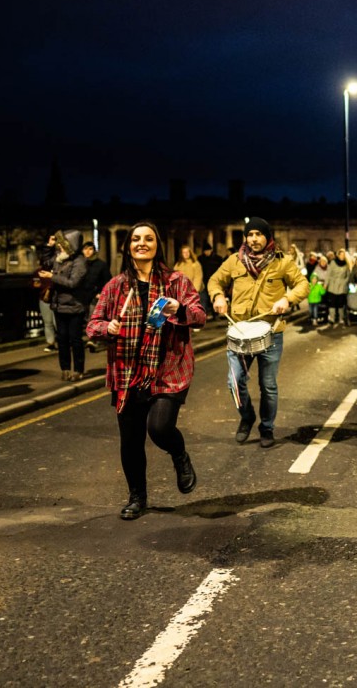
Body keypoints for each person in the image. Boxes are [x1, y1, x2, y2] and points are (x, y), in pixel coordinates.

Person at [86, 222, 206, 520]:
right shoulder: (116, 286)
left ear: (157, 245)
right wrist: (107, 328)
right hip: (127, 373)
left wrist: (178, 309)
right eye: (136, 239)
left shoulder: (176, 282)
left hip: (169, 368)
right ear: (128, 246)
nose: (142, 243)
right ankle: (137, 497)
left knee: (160, 428)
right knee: (131, 440)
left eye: (149, 238)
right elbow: (92, 325)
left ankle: (179, 454)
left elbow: (200, 316)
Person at [207, 217, 309, 448]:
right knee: (234, 383)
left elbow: (303, 284)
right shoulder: (234, 261)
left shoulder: (283, 262)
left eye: (258, 234)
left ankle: (267, 427)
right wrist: (218, 296)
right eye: (250, 234)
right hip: (240, 331)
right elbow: (215, 281)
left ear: (267, 237)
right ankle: (247, 417)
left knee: (268, 385)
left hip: (271, 333)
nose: (254, 239)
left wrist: (287, 298)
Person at [38, 229, 89, 381]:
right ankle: (65, 369)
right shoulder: (60, 258)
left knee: (75, 339)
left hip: (74, 306)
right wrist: (49, 246)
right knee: (62, 339)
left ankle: (78, 370)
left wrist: (52, 277)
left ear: (70, 245)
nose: (59, 247)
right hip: (59, 305)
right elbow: (45, 262)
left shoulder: (80, 261)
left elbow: (72, 283)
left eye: (62, 244)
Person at [80, 241, 112, 353]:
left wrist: (101, 293)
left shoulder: (101, 265)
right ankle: (94, 338)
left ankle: (92, 340)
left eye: (90, 249)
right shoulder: (80, 264)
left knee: (92, 318)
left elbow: (107, 280)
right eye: (85, 249)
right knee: (84, 318)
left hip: (95, 296)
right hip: (82, 296)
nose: (87, 252)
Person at [35, 233, 58, 352]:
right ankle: (50, 342)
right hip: (44, 297)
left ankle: (61, 340)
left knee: (56, 321)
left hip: (56, 295)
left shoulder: (58, 264)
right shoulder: (40, 270)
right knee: (48, 321)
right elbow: (34, 283)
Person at [324, 249, 350, 326]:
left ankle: (341, 318)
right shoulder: (333, 263)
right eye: (341, 254)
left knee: (340, 303)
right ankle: (332, 318)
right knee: (332, 302)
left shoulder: (346, 264)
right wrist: (326, 284)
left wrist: (345, 282)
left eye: (343, 255)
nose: (342, 256)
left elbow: (348, 275)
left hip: (342, 286)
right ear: (338, 255)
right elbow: (328, 274)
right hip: (333, 285)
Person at [198, 243, 222, 314]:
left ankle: (215, 314)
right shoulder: (200, 259)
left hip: (215, 281)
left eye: (208, 250)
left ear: (211, 250)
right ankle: (204, 314)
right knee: (204, 299)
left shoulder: (218, 258)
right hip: (204, 281)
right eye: (205, 251)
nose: (206, 252)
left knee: (214, 298)